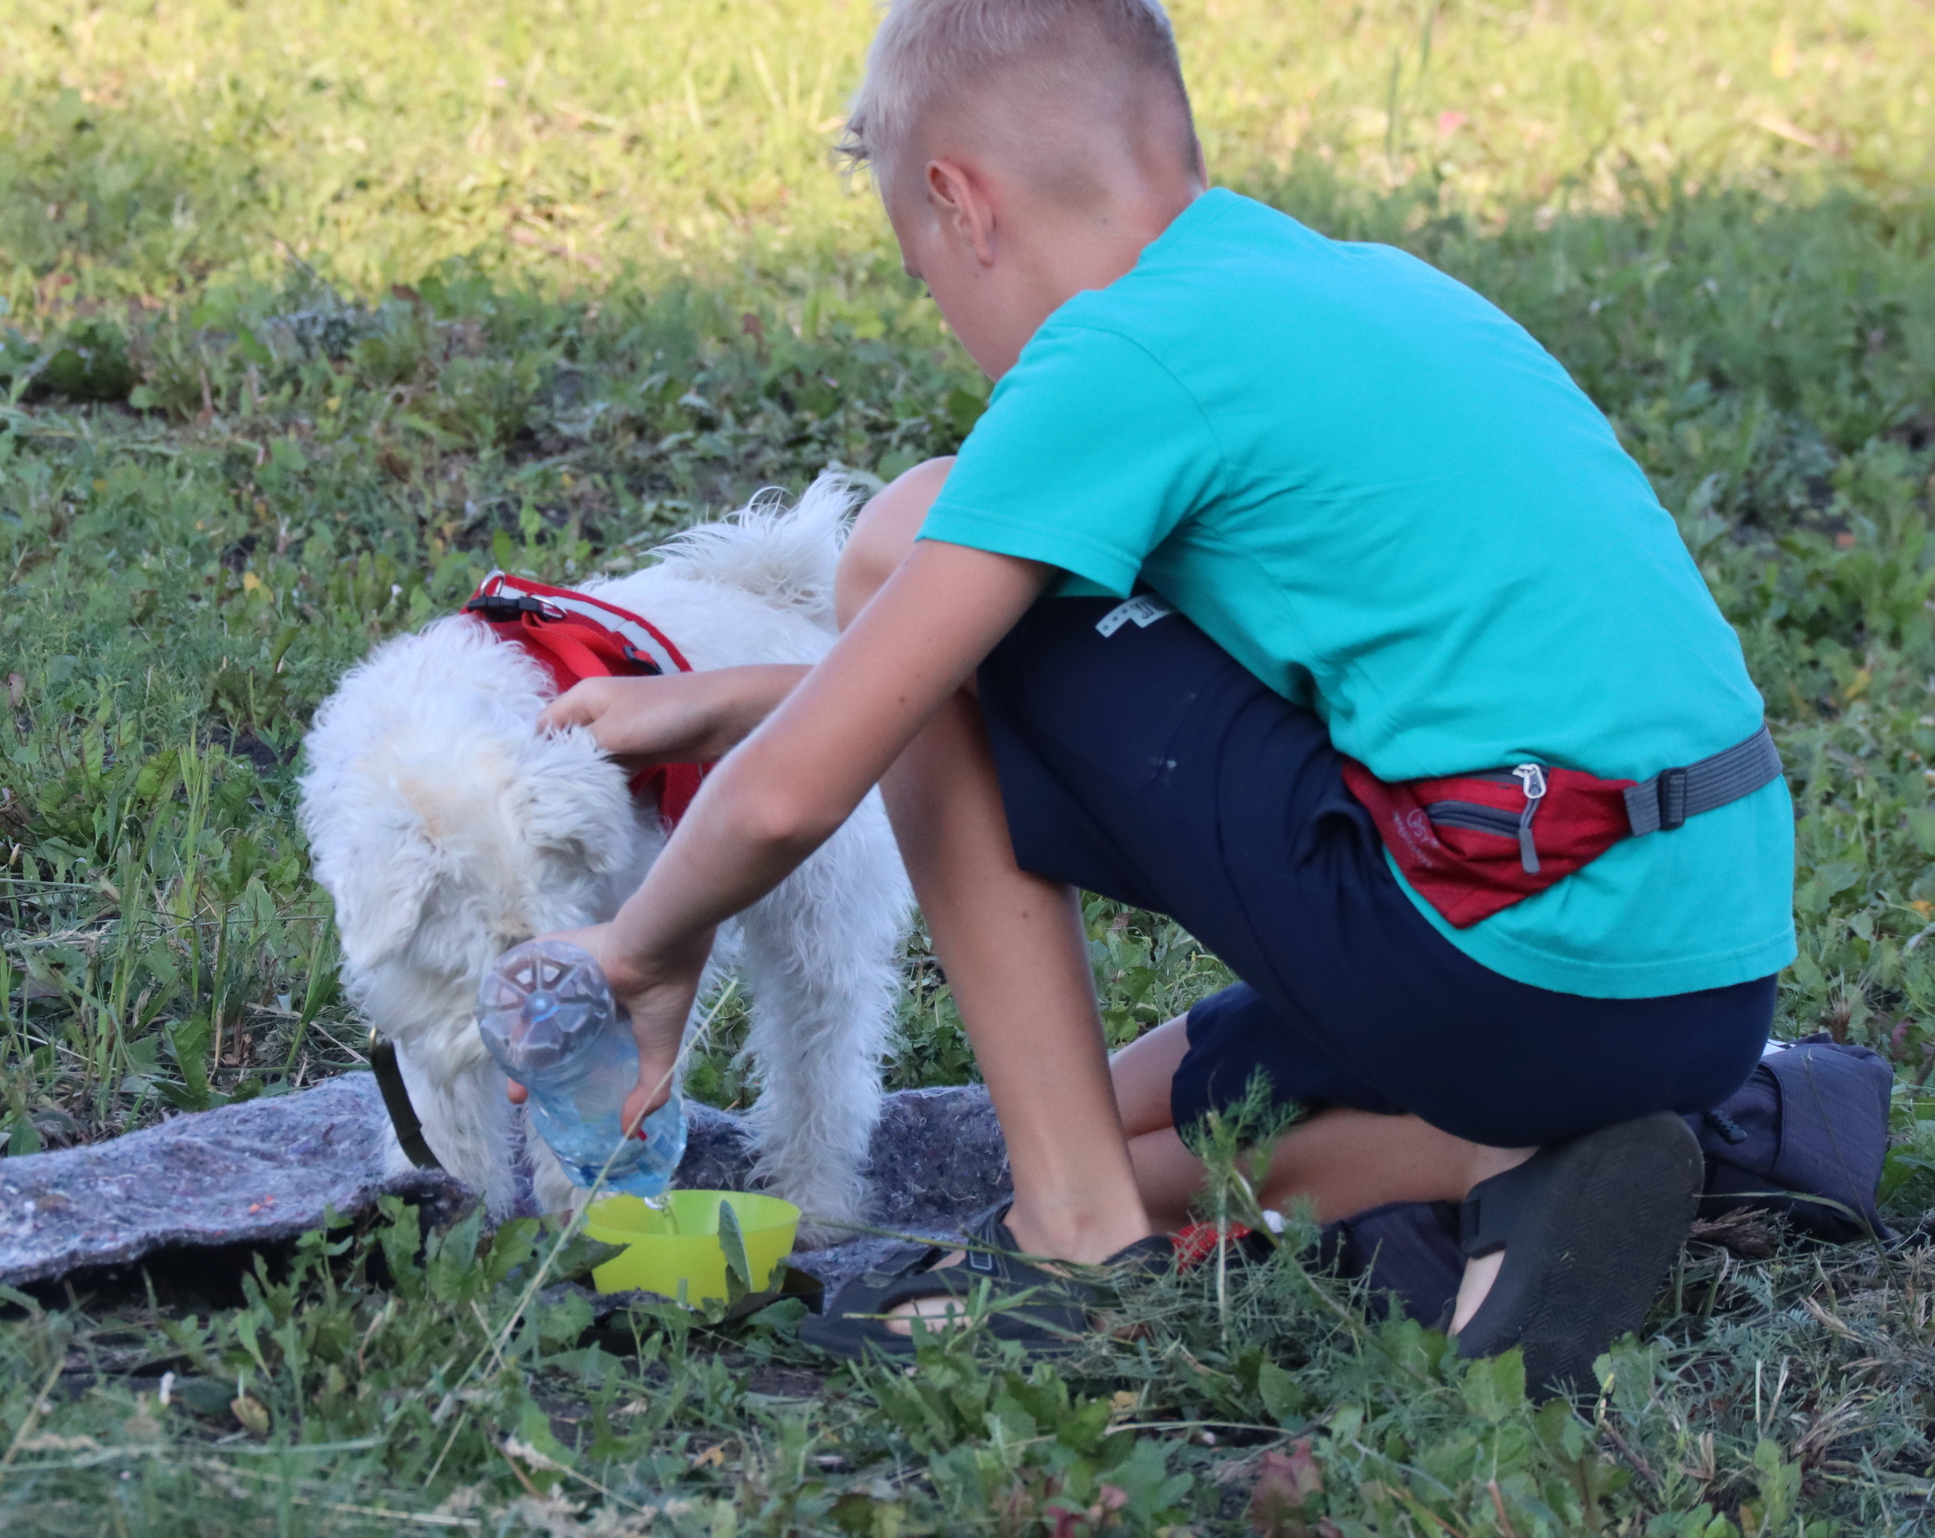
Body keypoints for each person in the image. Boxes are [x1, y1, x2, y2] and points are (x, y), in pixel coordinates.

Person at [513, 0, 1794, 1391]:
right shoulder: (1357, 286)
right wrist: (766, 692)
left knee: (906, 534)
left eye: (919, 273)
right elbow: (1191, 661)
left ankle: (1073, 1240)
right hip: (1698, 972)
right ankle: (1518, 1150)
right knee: (1100, 1115)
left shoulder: (1123, 350)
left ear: (960, 203)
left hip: (1499, 967)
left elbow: (793, 792)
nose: (947, 329)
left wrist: (632, 952)